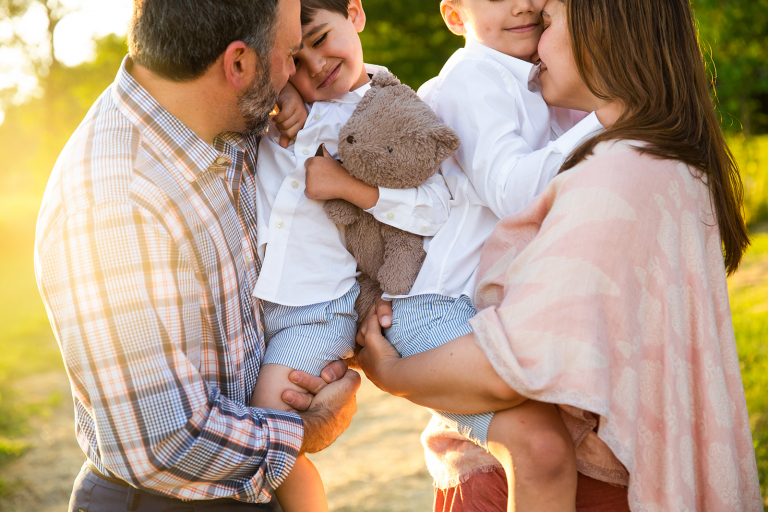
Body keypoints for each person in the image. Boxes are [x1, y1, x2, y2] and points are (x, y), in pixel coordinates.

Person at [357, 0, 763, 510]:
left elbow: (514, 362)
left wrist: (389, 374)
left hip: (539, 478)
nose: (534, 28)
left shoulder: (617, 169)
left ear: (601, 35)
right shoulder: (660, 160)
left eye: (549, 19)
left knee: (537, 447)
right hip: (530, 435)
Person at [34, 0, 361, 510]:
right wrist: (305, 428)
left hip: (244, 486)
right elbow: (163, 442)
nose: (295, 75)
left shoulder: (222, 124)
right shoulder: (115, 203)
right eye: (290, 55)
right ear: (237, 64)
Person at [306, 0, 603, 509]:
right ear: (454, 18)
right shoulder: (475, 75)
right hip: (438, 307)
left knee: (545, 442)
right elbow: (513, 192)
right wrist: (611, 116)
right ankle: (394, 372)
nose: (522, 5)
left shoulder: (529, 78)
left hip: (462, 306)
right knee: (541, 438)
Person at [245, 0, 452, 510]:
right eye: (295, 57)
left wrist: (349, 186)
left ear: (355, 14)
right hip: (249, 303)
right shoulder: (284, 102)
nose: (314, 65)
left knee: (269, 427)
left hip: (315, 310)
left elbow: (436, 209)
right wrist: (285, 89)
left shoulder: (393, 113)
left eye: (320, 40)